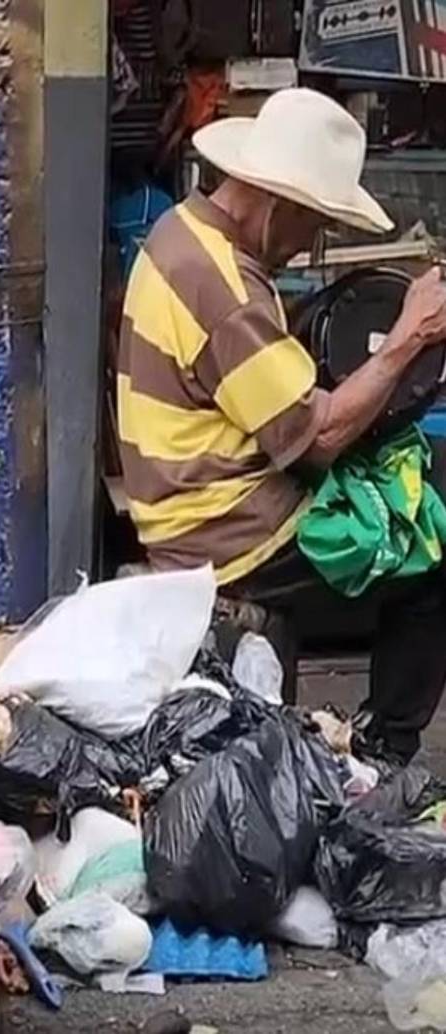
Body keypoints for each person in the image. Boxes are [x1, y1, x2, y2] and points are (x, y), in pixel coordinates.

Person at [117, 87, 446, 761]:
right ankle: (384, 750)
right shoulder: (226, 287)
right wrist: (408, 338)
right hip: (228, 531)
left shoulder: (180, 230)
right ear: (277, 205)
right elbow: (318, 437)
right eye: (313, 225)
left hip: (190, 493)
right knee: (433, 564)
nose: (309, 245)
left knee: (421, 489)